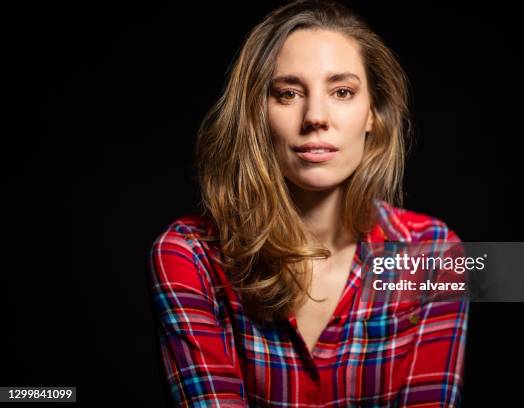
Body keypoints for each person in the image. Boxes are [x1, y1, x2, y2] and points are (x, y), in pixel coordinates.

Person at [149, 0, 469, 406]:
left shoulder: (434, 254)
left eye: (342, 92)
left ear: (373, 113)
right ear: (255, 114)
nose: (315, 116)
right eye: (287, 93)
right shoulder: (189, 256)